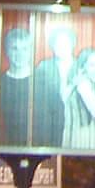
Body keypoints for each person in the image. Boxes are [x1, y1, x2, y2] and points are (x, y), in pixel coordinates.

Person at [29, 21, 77, 150]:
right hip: (50, 126)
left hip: (76, 128)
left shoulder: (82, 67)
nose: (61, 47)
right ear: (52, 46)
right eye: (57, 44)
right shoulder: (43, 67)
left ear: (72, 44)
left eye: (65, 43)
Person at [0, 27, 34, 149]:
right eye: (14, 48)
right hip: (6, 150)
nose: (20, 54)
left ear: (31, 51)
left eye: (25, 49)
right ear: (7, 51)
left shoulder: (43, 82)